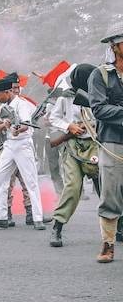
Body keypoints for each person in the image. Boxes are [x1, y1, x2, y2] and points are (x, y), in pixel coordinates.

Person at [0, 77, 46, 230]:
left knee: (30, 181)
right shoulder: (4, 105)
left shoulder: (22, 104)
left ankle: (38, 218)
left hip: (23, 144)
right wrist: (4, 124)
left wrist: (18, 129)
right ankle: (0, 216)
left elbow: (25, 125)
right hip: (9, 145)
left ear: (7, 91)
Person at [48, 64, 100, 247]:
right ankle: (57, 227)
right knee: (71, 187)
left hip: (95, 146)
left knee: (107, 189)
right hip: (72, 147)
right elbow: (54, 118)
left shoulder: (99, 94)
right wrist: (69, 126)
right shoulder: (65, 97)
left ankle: (119, 227)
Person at [88, 21, 123, 263]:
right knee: (110, 194)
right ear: (115, 46)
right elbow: (99, 109)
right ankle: (108, 244)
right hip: (112, 140)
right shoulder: (100, 74)